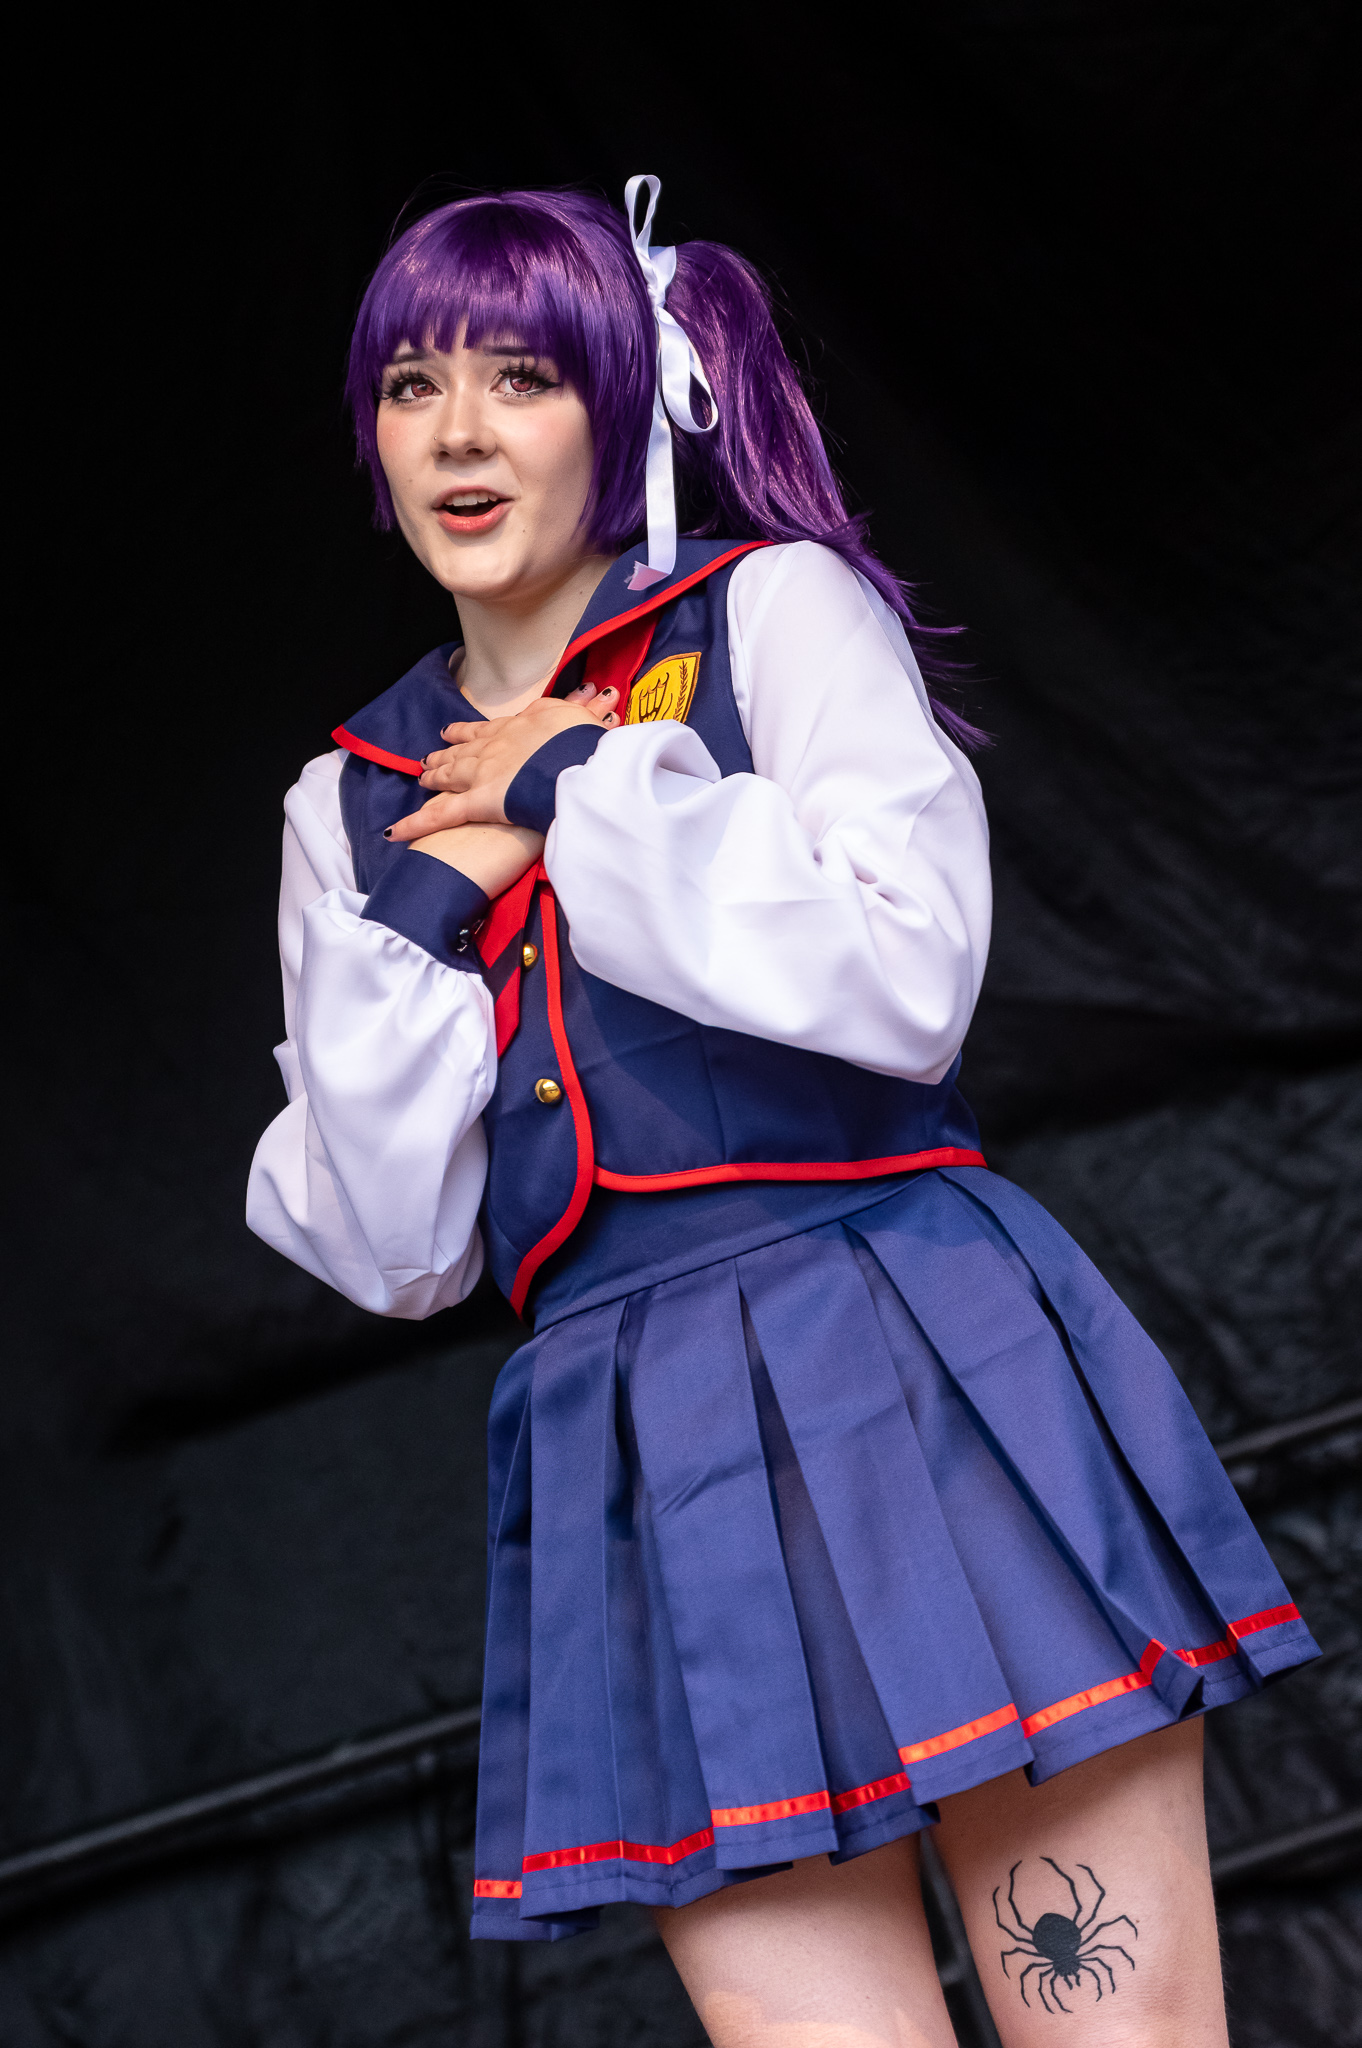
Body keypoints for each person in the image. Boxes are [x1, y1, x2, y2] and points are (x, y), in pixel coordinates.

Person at [247, 177, 1317, 2047]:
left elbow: (910, 977)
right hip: (623, 1435)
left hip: (900, 1339)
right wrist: (422, 901)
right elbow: (396, 1247)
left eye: (520, 377)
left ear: (626, 400)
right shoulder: (342, 803)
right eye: (414, 386)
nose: (461, 432)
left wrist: (583, 788)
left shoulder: (773, 611)